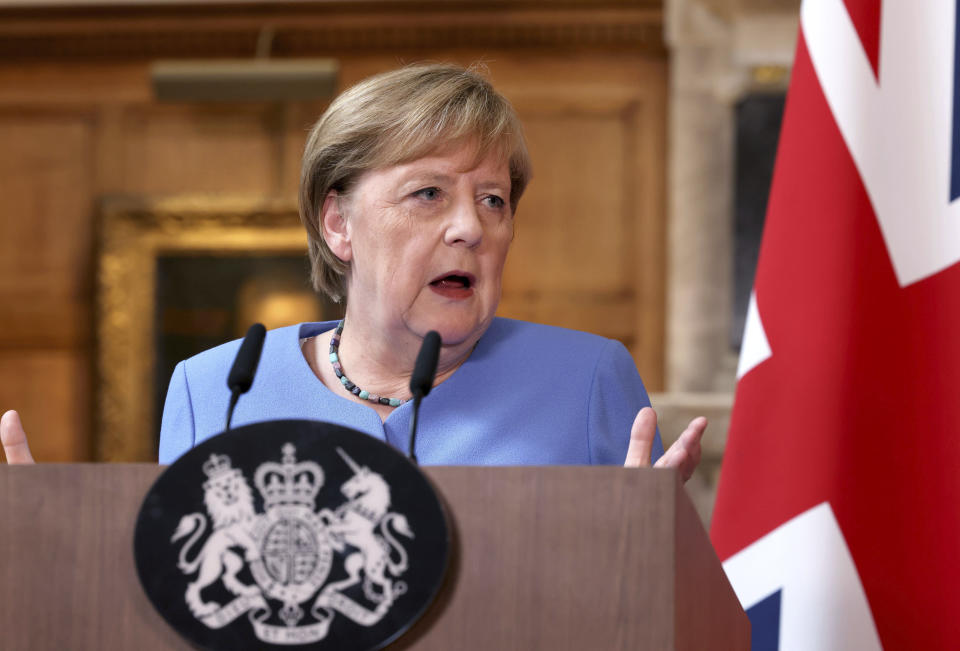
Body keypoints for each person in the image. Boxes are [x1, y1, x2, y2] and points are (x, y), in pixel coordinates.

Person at [2, 63, 705, 476]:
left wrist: (653, 551)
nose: (471, 226)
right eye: (429, 193)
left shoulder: (586, 381)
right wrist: (65, 553)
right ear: (338, 223)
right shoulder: (215, 390)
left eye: (493, 199)